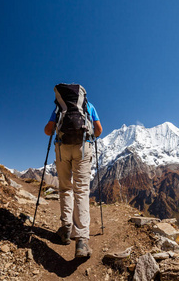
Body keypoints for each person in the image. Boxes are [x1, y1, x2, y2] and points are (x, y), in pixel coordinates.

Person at [44, 101, 102, 258]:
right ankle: (82, 240)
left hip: (62, 148)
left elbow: (48, 130)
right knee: (81, 190)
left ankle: (66, 229)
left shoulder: (59, 106)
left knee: (65, 188)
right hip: (83, 147)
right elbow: (99, 130)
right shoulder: (89, 106)